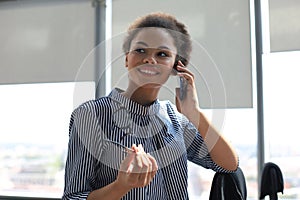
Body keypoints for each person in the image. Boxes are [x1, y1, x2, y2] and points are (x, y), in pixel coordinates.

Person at [62, 12, 239, 200]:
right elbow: (73, 197)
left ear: (176, 67)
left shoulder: (175, 120)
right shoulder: (90, 115)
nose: (149, 59)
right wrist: (121, 186)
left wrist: (195, 113)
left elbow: (228, 164)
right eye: (140, 50)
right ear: (126, 59)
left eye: (162, 54)